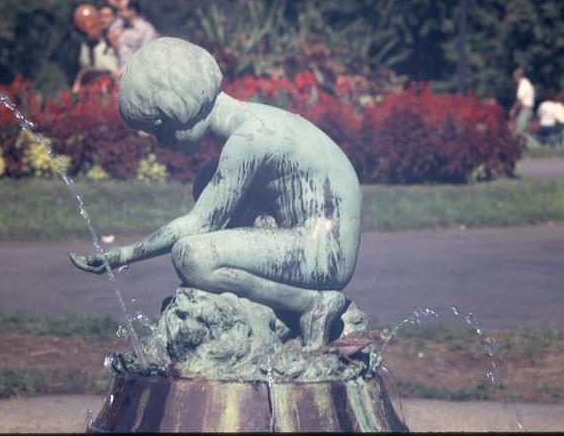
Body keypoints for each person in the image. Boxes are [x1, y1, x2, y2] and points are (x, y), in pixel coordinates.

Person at [69, 38, 361, 349]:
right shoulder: (256, 118)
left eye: (160, 128)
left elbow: (200, 224)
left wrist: (126, 254)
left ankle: (309, 304)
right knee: (207, 177)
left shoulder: (249, 140)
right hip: (313, 235)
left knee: (191, 257)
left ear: (178, 108)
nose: (161, 142)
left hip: (325, 251)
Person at [113, 0, 157, 79]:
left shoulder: (146, 29)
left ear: (132, 10)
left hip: (137, 79)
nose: (119, 14)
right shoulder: (121, 30)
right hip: (120, 78)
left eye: (121, 10)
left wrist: (125, 70)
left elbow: (145, 57)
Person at [508, 66, 538, 147]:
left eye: (515, 77)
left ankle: (534, 145)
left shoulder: (523, 84)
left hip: (525, 109)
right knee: (522, 130)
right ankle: (525, 145)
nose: (514, 80)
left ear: (518, 76)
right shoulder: (528, 84)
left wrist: (513, 109)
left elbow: (519, 99)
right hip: (527, 109)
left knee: (519, 130)